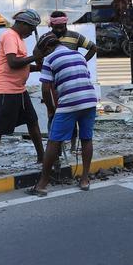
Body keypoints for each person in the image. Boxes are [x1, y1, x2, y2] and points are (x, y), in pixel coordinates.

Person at [27, 35, 99, 196]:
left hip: (69, 103)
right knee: (87, 138)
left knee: (54, 141)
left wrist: (51, 109)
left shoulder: (50, 59)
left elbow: (46, 89)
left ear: (47, 49)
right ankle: (85, 179)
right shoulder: (78, 55)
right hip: (89, 100)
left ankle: (42, 183)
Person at [0, 9, 46, 177]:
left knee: (33, 121)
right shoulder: (9, 36)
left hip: (19, 89)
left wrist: (37, 68)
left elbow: (21, 64)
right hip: (7, 89)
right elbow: (13, 63)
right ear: (22, 24)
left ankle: (42, 157)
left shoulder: (18, 38)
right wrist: (35, 57)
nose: (31, 33)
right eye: (31, 28)